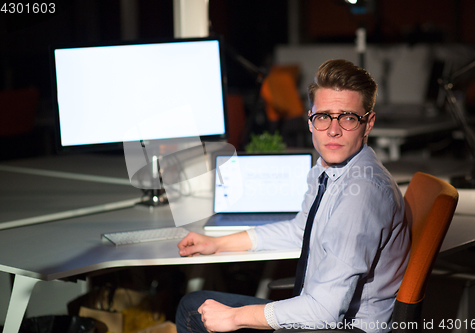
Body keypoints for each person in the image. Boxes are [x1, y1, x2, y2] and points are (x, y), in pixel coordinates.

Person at [175, 59, 411, 333]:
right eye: (323, 116)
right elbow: (301, 230)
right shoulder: (330, 167)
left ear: (367, 124)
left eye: (347, 117)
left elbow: (324, 312)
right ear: (310, 120)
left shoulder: (361, 194)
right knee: (195, 303)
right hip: (319, 310)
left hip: (341, 326)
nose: (333, 130)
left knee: (193, 310)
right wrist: (217, 243)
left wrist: (236, 317)